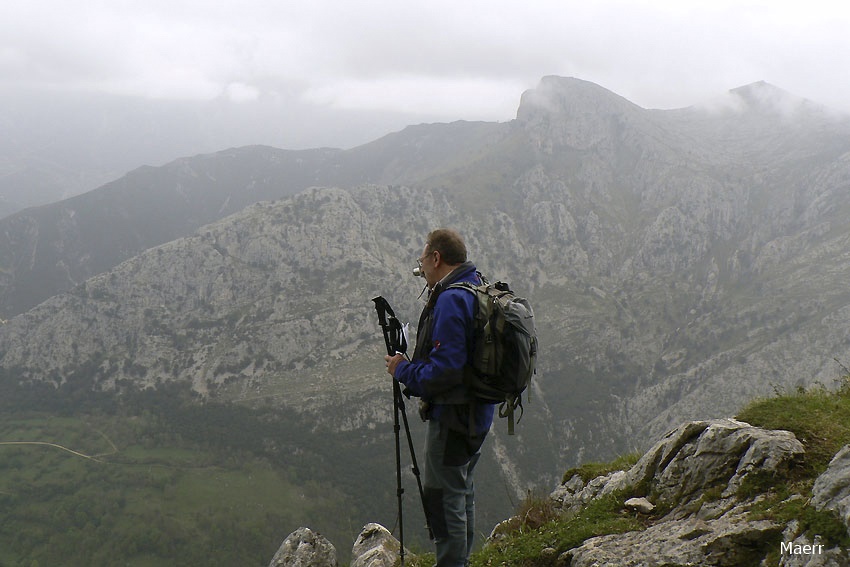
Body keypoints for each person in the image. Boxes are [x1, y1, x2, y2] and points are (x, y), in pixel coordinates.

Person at [384, 228, 495, 567]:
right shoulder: (476, 283)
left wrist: (402, 370)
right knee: (462, 492)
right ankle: (460, 560)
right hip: (478, 412)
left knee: (444, 498)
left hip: (453, 416)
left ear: (436, 258)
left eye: (422, 257)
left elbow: (445, 372)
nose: (420, 265)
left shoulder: (450, 299)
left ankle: (451, 563)